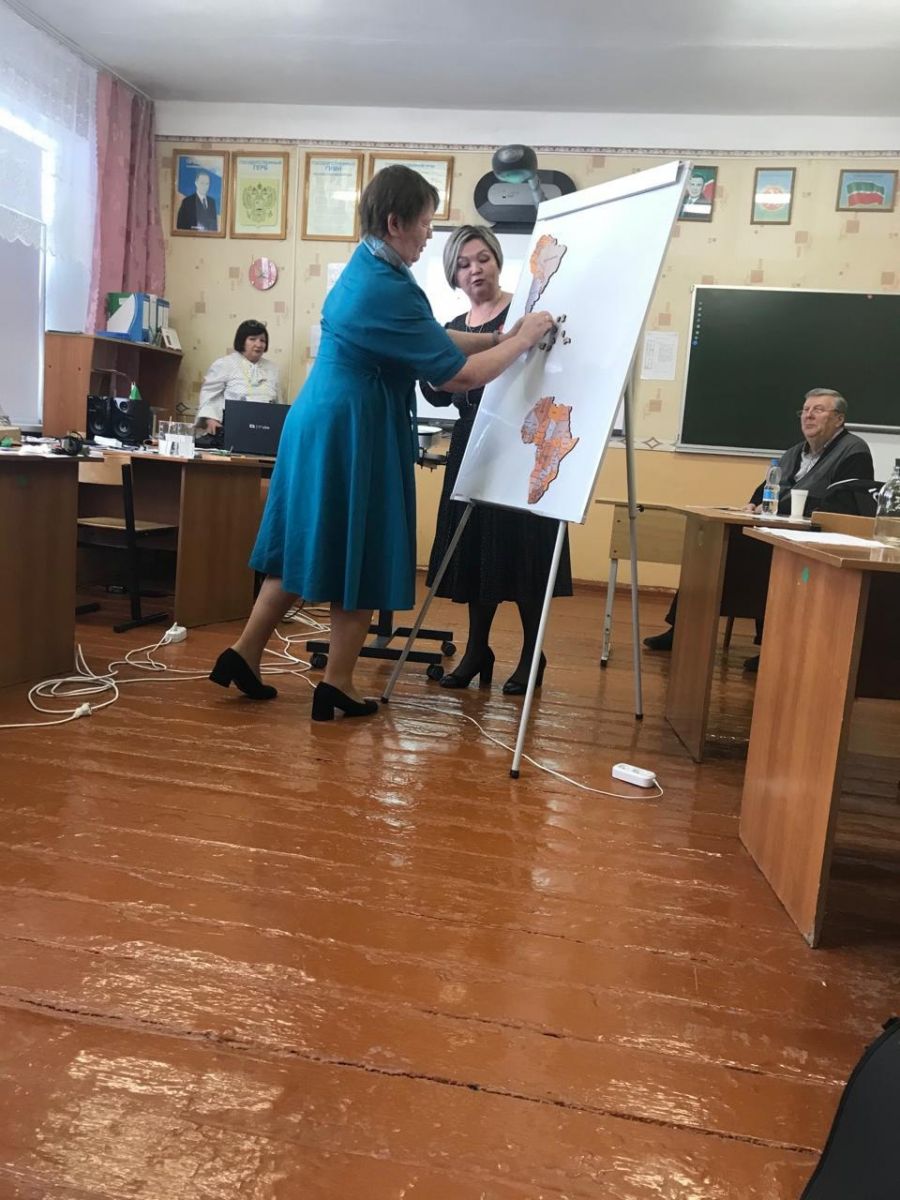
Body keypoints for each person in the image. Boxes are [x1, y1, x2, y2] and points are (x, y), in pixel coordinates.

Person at [209, 166, 557, 721]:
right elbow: (457, 376)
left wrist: (500, 335)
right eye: (424, 223)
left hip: (323, 419)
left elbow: (433, 338)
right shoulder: (386, 286)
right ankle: (338, 683)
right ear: (396, 222)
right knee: (364, 548)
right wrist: (523, 341)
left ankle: (244, 652)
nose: (429, 234)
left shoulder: (370, 266)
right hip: (354, 426)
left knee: (303, 542)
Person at [421, 225, 573, 694]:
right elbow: (438, 394)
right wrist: (429, 365)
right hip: (472, 446)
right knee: (476, 555)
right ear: (453, 275)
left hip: (523, 448)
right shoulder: (454, 327)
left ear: (498, 261)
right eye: (463, 264)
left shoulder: (526, 314)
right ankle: (477, 650)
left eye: (482, 259)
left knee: (525, 554)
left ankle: (532, 654)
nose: (475, 270)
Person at [644, 388, 874, 653]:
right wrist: (753, 504)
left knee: (765, 561)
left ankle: (769, 648)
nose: (808, 415)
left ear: (839, 419)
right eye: (805, 410)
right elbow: (764, 489)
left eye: (818, 410)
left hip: (814, 542)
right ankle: (682, 629)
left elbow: (845, 503)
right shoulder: (794, 453)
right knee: (713, 554)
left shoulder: (853, 450)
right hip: (775, 532)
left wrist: (786, 508)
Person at [194, 319, 283, 435]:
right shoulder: (224, 364)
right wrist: (210, 419)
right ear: (242, 341)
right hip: (231, 428)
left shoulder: (273, 369)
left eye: (262, 340)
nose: (258, 344)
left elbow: (279, 404)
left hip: (265, 429)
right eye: (252, 339)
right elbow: (209, 396)